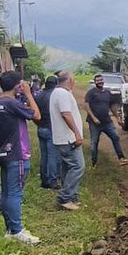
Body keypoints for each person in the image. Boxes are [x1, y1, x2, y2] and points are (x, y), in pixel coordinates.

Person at [0, 71, 42, 244]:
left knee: (6, 193)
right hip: (17, 154)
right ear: (17, 86)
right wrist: (28, 93)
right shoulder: (11, 103)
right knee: (15, 194)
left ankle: (10, 228)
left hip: (3, 152)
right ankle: (17, 231)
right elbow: (36, 115)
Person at [49, 71, 85, 211]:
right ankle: (65, 197)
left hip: (61, 138)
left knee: (68, 168)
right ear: (70, 80)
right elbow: (66, 114)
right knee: (78, 167)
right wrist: (77, 134)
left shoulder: (57, 92)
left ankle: (71, 197)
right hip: (68, 138)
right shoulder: (63, 94)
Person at [83, 73, 128, 167]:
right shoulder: (91, 93)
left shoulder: (107, 93)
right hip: (94, 123)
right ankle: (94, 163)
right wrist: (93, 118)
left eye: (101, 80)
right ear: (95, 82)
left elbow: (112, 106)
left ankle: (121, 159)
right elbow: (86, 105)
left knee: (115, 137)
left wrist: (117, 118)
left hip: (107, 122)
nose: (100, 82)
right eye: (98, 80)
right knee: (94, 142)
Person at [34, 74, 61, 189]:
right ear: (56, 84)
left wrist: (39, 124)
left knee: (44, 155)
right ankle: (53, 181)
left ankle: (44, 180)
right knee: (52, 156)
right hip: (51, 129)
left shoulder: (38, 96)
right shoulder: (54, 96)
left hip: (41, 128)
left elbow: (33, 114)